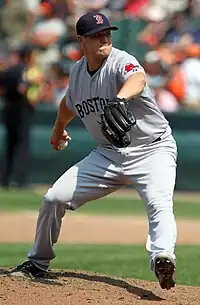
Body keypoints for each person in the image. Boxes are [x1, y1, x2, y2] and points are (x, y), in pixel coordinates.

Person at [10, 12, 177, 290]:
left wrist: (120, 99)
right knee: (53, 198)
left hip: (153, 150)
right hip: (108, 154)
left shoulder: (121, 61)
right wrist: (57, 129)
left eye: (107, 33)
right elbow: (68, 103)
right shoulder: (78, 72)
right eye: (96, 35)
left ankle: (163, 257)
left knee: (159, 204)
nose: (104, 38)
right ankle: (37, 262)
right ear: (81, 40)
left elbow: (138, 78)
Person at [0, 44, 35, 188]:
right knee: (22, 145)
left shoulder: (8, 70)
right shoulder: (23, 71)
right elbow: (22, 89)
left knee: (9, 145)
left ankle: (5, 178)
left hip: (8, 109)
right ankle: (19, 179)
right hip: (21, 110)